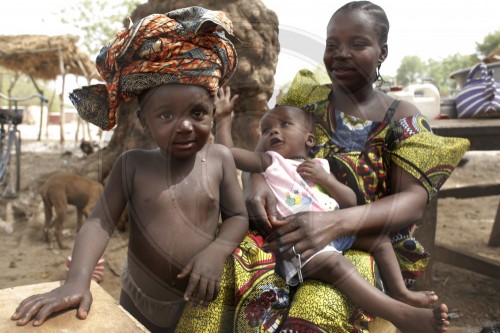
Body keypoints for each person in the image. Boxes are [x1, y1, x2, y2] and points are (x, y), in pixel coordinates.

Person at [176, 1, 469, 332]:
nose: (341, 53)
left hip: (359, 241)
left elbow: (412, 203)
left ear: (382, 52)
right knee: (216, 286)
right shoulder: (305, 98)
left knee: (319, 306)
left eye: (357, 44)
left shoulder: (402, 118)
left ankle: (400, 310)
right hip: (281, 228)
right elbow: (264, 151)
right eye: (332, 45)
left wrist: (335, 222)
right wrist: (255, 188)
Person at [11, 7, 248, 333]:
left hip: (197, 302)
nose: (185, 126)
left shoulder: (220, 159)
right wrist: (77, 280)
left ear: (212, 112)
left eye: (198, 113)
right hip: (137, 298)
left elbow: (237, 216)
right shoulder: (133, 164)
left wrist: (215, 253)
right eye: (166, 116)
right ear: (143, 121)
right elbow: (99, 221)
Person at [214, 86, 446, 332]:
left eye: (284, 124)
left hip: (336, 230)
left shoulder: (321, 165)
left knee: (378, 238)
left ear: (310, 140)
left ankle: (401, 292)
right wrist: (223, 119)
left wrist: (327, 180)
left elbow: (349, 202)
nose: (273, 131)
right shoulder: (270, 162)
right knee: (337, 267)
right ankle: (401, 315)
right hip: (302, 243)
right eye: (266, 129)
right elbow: (227, 154)